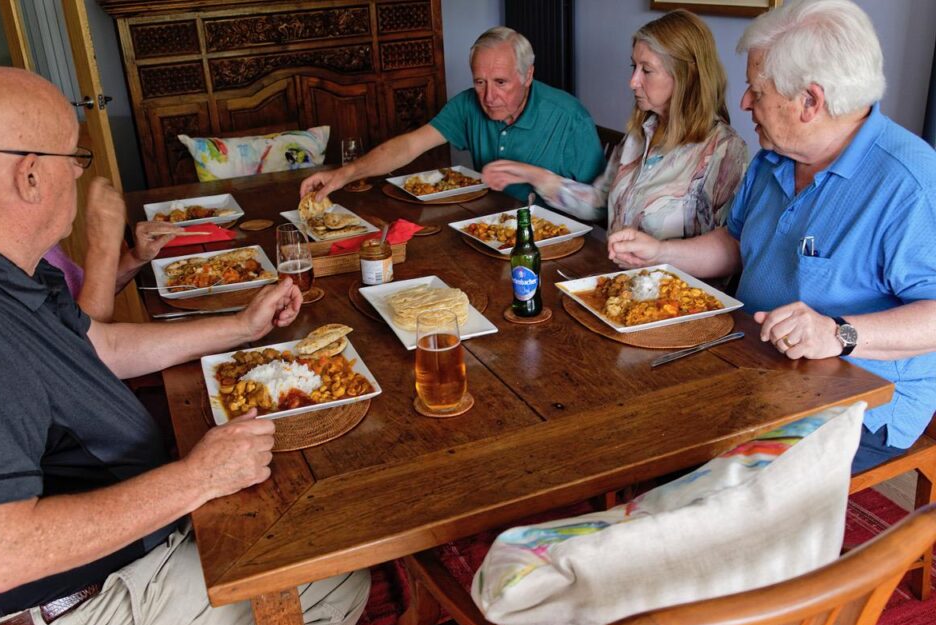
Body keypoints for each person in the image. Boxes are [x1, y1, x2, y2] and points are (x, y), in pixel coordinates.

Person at [0, 66, 369, 625]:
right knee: (331, 575)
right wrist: (196, 477)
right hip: (72, 618)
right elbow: (0, 554)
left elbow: (100, 346)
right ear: (29, 175)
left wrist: (241, 327)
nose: (79, 174)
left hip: (103, 557)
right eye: (74, 157)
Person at [607, 0, 936, 472]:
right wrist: (660, 252)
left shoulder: (910, 182)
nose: (743, 103)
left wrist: (838, 333)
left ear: (810, 101)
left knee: (707, 465)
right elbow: (736, 245)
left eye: (756, 90)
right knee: (636, 402)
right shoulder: (774, 158)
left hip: (862, 398)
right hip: (755, 359)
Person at [482, 10, 747, 239]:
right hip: (613, 279)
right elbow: (599, 204)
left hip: (671, 296)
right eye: (634, 67)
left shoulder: (724, 150)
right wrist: (535, 175)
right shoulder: (639, 135)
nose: (633, 81)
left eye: (646, 70)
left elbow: (725, 251)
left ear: (685, 75)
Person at [300, 26, 605, 203]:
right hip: (490, 231)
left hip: (559, 248)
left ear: (528, 75)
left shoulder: (570, 118)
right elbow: (408, 146)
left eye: (501, 83)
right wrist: (343, 174)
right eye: (479, 82)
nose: (488, 97)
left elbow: (601, 206)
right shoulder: (467, 104)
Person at [44, 177, 181, 322]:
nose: (78, 172)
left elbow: (90, 296)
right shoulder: (22, 272)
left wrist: (136, 257)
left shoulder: (46, 247)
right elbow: (85, 337)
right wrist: (104, 247)